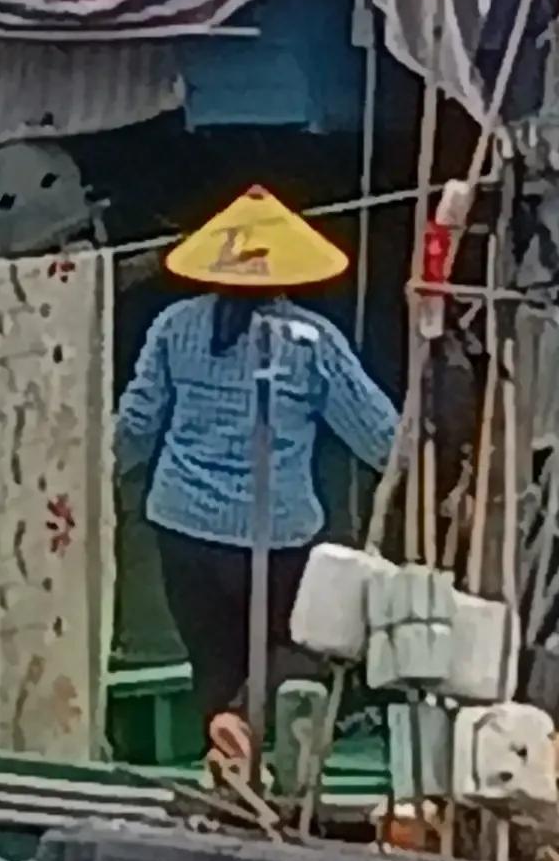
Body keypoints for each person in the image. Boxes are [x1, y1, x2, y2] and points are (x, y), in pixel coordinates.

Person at [113, 188, 399, 762]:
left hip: (181, 528)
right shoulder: (310, 341)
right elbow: (381, 436)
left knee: (214, 664)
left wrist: (98, 478)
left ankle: (226, 748)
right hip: (276, 535)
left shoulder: (174, 326)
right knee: (308, 643)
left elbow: (136, 426)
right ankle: (244, 724)